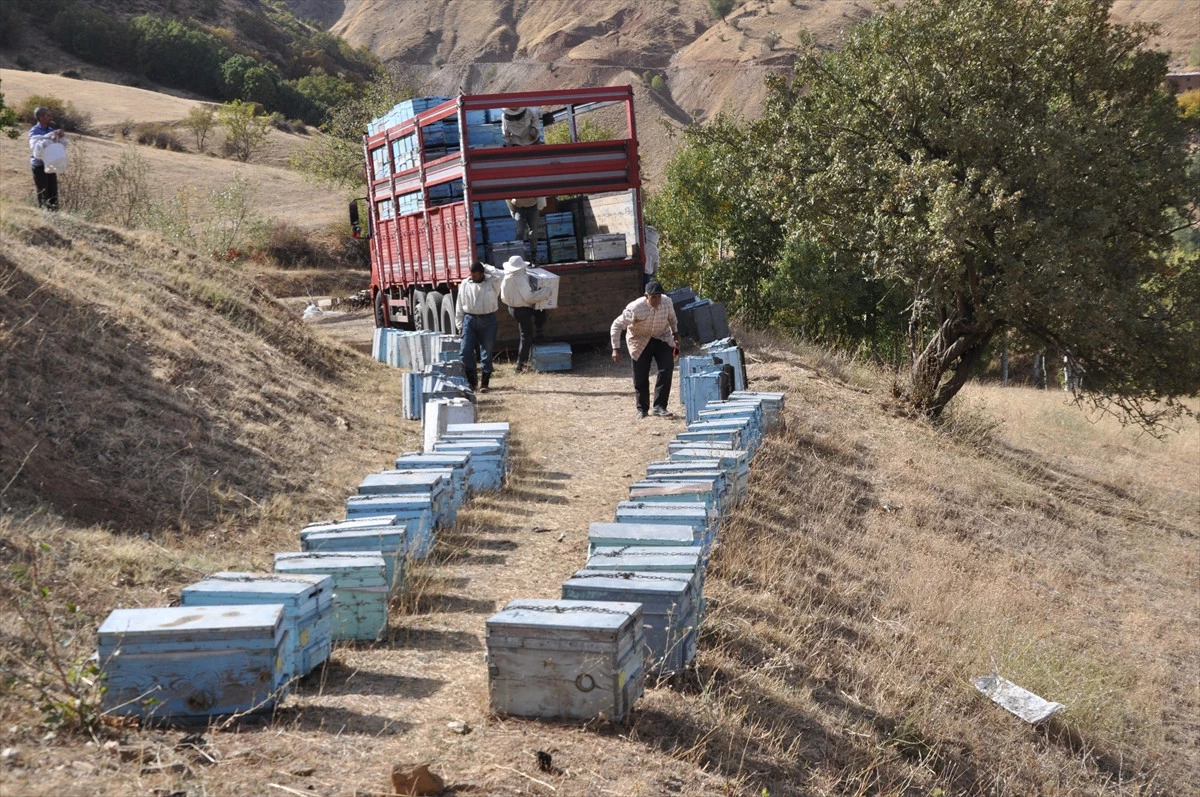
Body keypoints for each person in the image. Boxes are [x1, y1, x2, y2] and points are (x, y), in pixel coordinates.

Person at [611, 280, 681, 419]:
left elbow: (672, 319)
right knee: (641, 375)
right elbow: (616, 325)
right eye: (653, 297)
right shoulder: (635, 308)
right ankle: (642, 409)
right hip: (639, 339)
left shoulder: (667, 302)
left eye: (659, 296)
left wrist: (676, 334)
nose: (657, 300)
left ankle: (660, 406)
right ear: (646, 296)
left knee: (667, 368)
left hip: (661, 336)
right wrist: (616, 349)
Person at [500, 255, 552, 373]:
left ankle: (539, 335)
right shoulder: (519, 278)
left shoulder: (506, 277)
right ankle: (520, 365)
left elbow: (503, 297)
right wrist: (545, 292)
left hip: (512, 308)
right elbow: (529, 297)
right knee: (526, 336)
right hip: (521, 309)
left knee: (540, 311)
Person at [455, 261, 502, 393]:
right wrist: (459, 324)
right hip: (469, 320)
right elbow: (459, 304)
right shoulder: (465, 283)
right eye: (471, 275)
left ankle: (485, 384)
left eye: (476, 275)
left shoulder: (492, 282)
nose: (473, 277)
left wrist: (486, 266)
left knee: (486, 353)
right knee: (465, 352)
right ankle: (472, 382)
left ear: (482, 273)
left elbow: (500, 274)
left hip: (488, 319)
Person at [28, 107, 66, 211]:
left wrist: (60, 137)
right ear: (41, 117)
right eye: (48, 115)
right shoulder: (34, 131)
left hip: (51, 164)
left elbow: (58, 146)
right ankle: (43, 217)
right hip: (39, 166)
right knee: (43, 193)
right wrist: (50, 139)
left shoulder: (51, 130)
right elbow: (35, 148)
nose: (51, 117)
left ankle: (54, 216)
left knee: (53, 193)